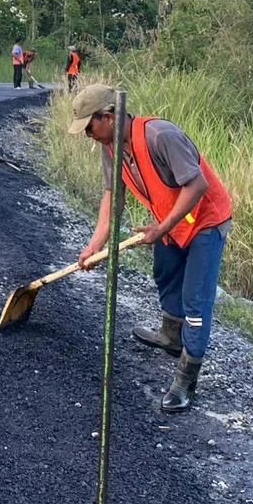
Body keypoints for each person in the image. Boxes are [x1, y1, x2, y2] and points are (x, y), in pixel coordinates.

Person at [68, 84, 233, 414]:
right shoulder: (111, 146)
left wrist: (162, 228)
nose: (88, 134)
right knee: (164, 274)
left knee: (196, 301)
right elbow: (112, 196)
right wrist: (95, 246)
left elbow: (197, 184)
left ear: (109, 117)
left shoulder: (159, 135)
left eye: (89, 126)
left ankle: (186, 379)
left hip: (206, 221)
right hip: (171, 221)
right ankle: (171, 337)